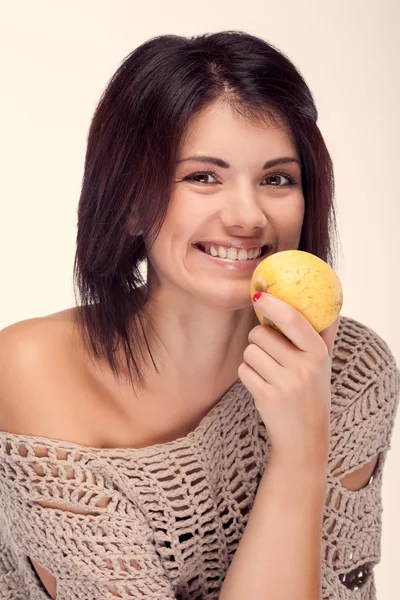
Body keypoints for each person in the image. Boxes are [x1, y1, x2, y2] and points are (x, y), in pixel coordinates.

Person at [0, 30, 399, 600]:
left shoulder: (351, 371)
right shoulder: (32, 370)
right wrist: (301, 453)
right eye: (203, 177)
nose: (248, 215)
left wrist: (302, 446)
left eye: (277, 178)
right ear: (133, 200)